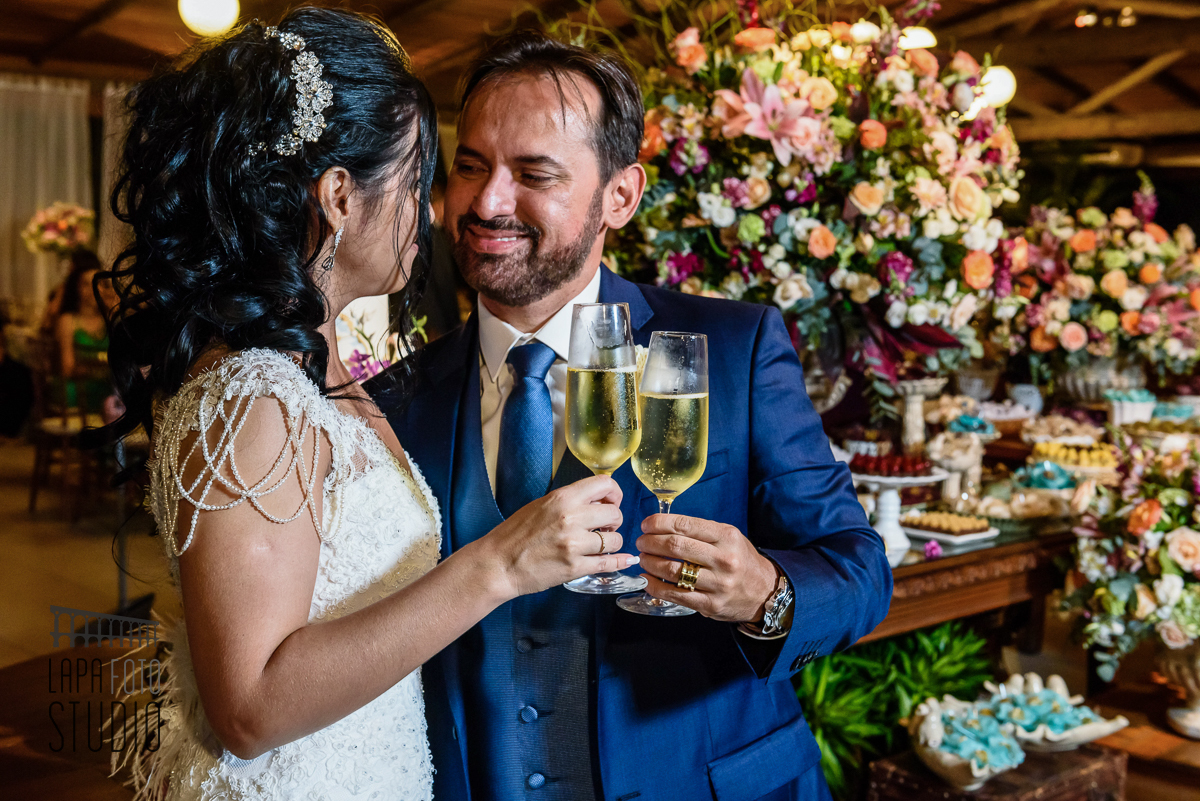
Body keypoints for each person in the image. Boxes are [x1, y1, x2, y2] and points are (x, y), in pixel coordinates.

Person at [101, 10, 633, 800]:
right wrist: (499, 563)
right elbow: (247, 706)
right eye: (421, 180)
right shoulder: (253, 401)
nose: (436, 212)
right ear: (341, 196)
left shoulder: (322, 373)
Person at [368, 31, 893, 801]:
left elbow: (860, 565)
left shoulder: (735, 347)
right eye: (472, 165)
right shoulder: (393, 399)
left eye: (533, 173)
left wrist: (766, 590)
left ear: (621, 194)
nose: (487, 202)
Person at [54, 259, 112, 411]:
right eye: (86, 284)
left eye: (98, 283)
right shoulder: (68, 320)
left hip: (107, 391)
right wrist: (102, 370)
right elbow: (68, 369)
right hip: (78, 391)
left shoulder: (110, 319)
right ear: (76, 288)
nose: (93, 289)